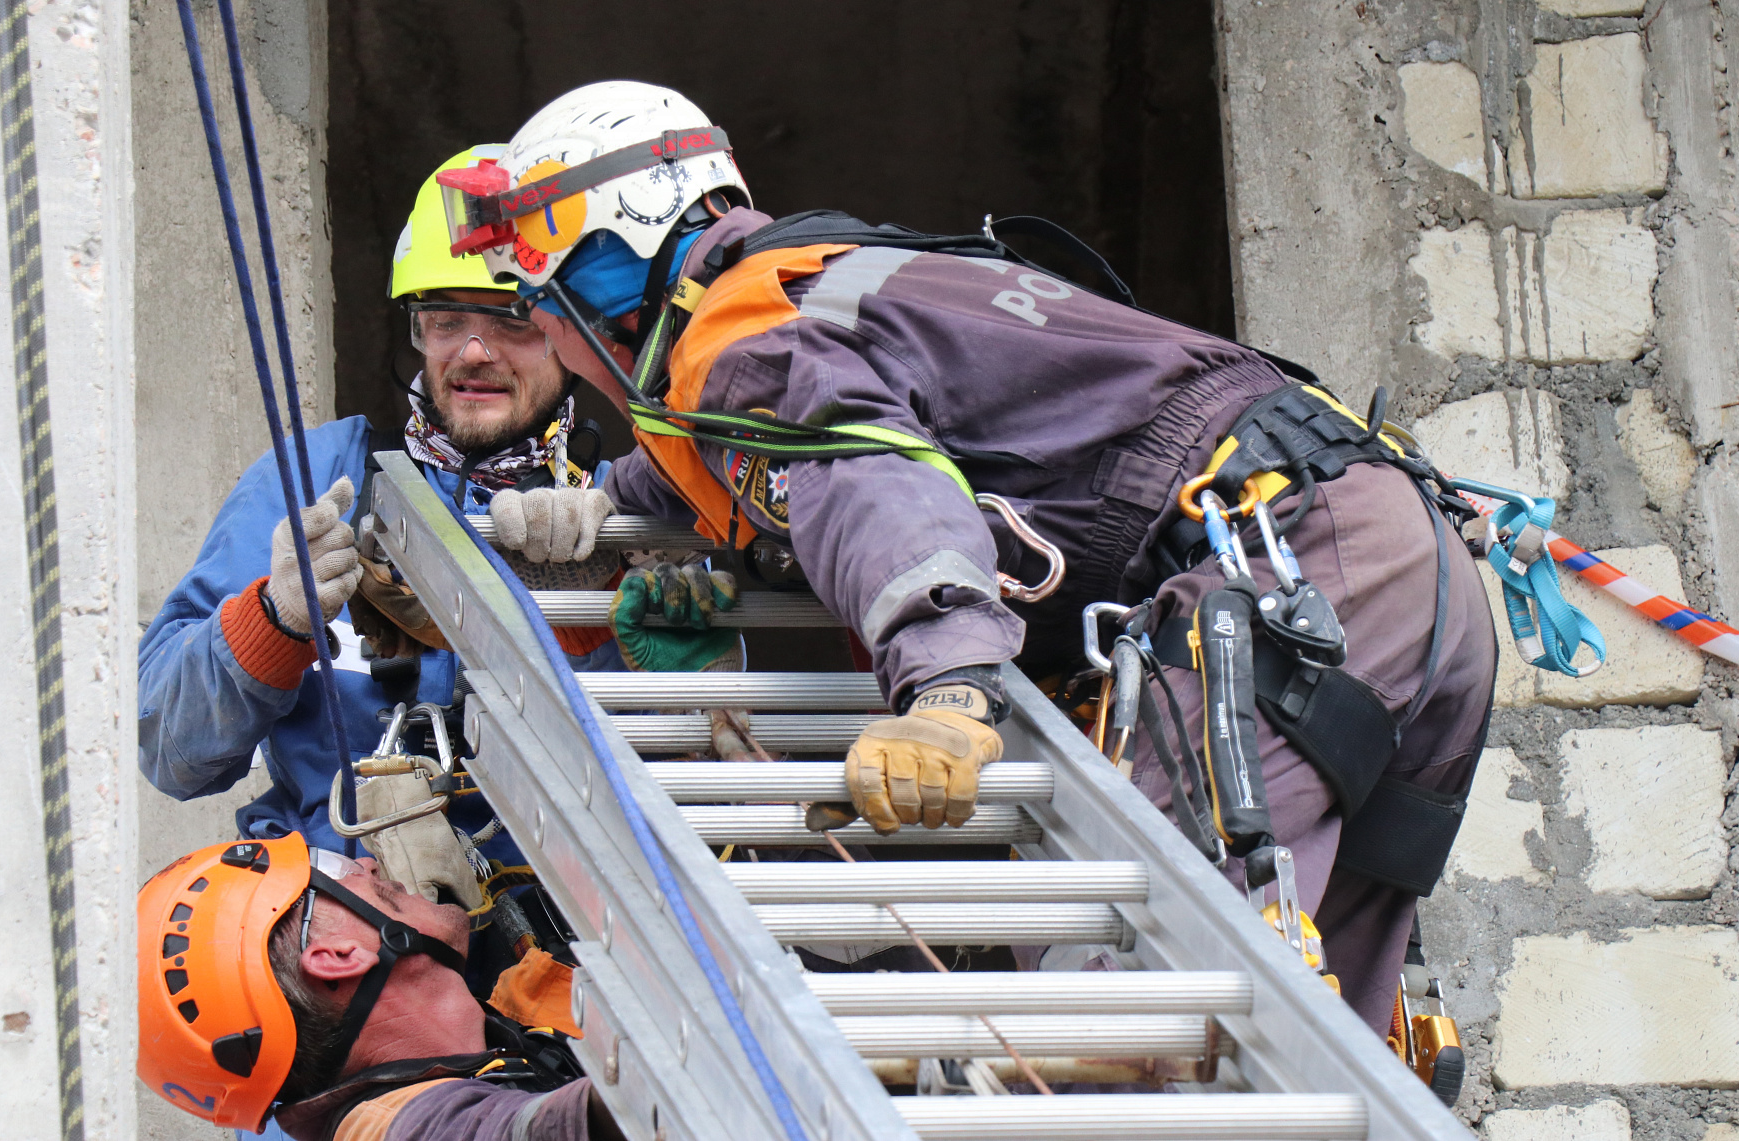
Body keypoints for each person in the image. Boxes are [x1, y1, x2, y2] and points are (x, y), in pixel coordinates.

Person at [427, 80, 1499, 1036]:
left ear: (605, 263)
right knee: (1316, 1033)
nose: (552, 340)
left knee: (1124, 1018)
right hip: (1393, 564)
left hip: (1271, 580)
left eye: (543, 303)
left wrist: (945, 686)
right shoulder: (823, 283)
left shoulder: (738, 338)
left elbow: (867, 477)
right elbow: (748, 463)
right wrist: (595, 514)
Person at [138, 146, 634, 861]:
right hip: (345, 931)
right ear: (415, 330)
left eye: (511, 320)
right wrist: (273, 620)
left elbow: (694, 779)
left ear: (572, 336)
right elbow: (169, 751)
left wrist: (587, 611)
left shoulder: (625, 514)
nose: (472, 351)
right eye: (445, 319)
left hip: (556, 934)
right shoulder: (316, 477)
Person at [138, 833, 618, 1140]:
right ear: (337, 956)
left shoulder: (515, 1024)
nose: (366, 864)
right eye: (328, 868)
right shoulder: (387, 1130)